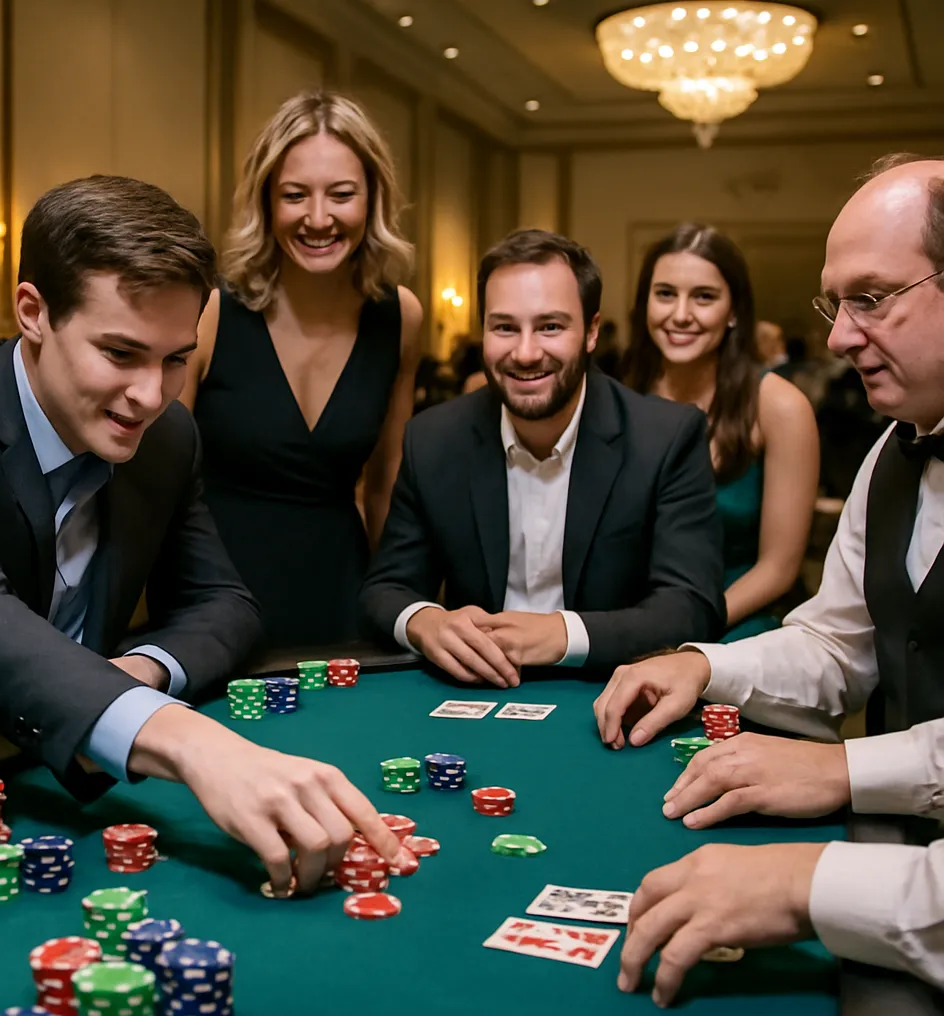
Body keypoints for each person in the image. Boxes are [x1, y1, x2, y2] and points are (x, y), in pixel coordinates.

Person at [0, 174, 401, 896]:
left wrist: (136, 676)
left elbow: (225, 603)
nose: (152, 395)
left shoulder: (168, 437)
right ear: (33, 312)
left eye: (176, 358)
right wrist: (192, 742)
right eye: (120, 353)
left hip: (60, 784)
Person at [597, 153, 944, 1004]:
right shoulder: (891, 452)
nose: (834, 337)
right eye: (837, 303)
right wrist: (705, 664)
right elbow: (835, 644)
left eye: (872, 298)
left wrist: (817, 851)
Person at [360, 229, 725, 686]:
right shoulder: (434, 438)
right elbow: (385, 588)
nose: (526, 352)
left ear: (591, 332)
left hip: (608, 693)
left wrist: (560, 633)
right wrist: (425, 621)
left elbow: (691, 607)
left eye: (550, 326)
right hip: (472, 695)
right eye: (504, 327)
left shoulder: (666, 438)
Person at [180, 91, 424, 647]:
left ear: (373, 198)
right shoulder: (212, 312)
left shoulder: (401, 317)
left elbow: (387, 487)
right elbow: (161, 487)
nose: (319, 219)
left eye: (342, 195)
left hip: (343, 597)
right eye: (295, 196)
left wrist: (403, 611)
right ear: (266, 201)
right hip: (216, 599)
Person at [622, 225, 819, 641]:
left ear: (733, 311)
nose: (680, 314)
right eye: (665, 294)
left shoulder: (779, 406)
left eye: (704, 297)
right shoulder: (622, 397)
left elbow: (779, 567)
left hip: (739, 618)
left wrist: (684, 630)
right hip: (632, 619)